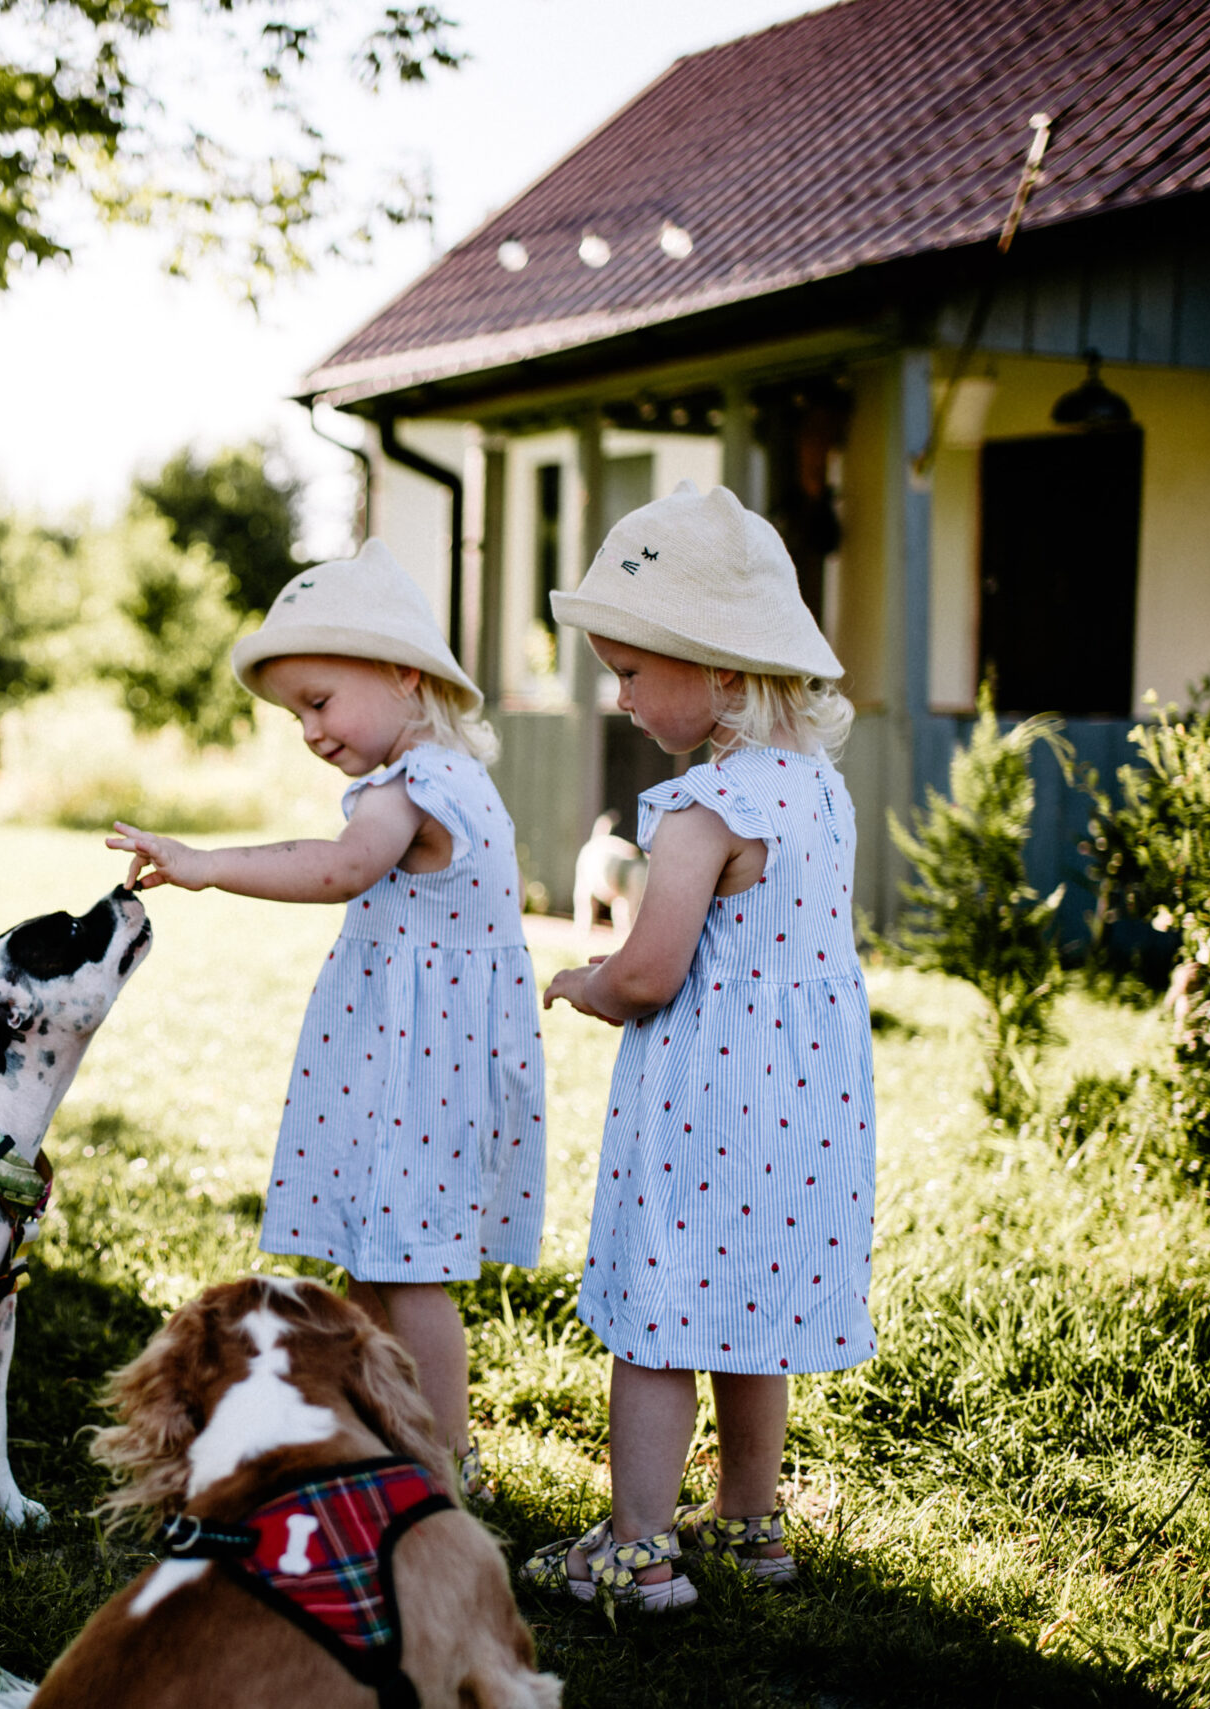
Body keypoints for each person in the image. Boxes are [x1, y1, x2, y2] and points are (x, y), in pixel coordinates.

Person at [105, 541, 547, 1499]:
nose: (308, 730)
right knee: (378, 1262)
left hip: (419, 1070)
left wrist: (207, 863)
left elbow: (340, 866)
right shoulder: (451, 776)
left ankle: (442, 1461)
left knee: (411, 1272)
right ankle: (372, 1429)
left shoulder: (412, 788)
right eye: (295, 713)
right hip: (421, 1060)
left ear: (403, 673)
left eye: (318, 700)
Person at [525, 480, 876, 1611]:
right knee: (752, 1310)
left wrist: (585, 980)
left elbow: (651, 970)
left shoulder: (704, 805)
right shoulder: (820, 791)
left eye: (632, 671)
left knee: (659, 1315)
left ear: (721, 670)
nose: (619, 696)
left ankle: (640, 1547)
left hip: (708, 1101)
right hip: (806, 1100)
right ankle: (751, 1523)